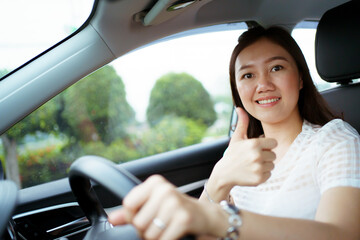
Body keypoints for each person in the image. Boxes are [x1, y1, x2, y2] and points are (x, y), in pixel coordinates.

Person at [108, 26, 360, 240]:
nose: (263, 85)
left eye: (276, 68)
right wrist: (219, 179)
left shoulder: (334, 140)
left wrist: (222, 218)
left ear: (301, 78)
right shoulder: (240, 152)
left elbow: (343, 234)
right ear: (238, 90)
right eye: (248, 75)